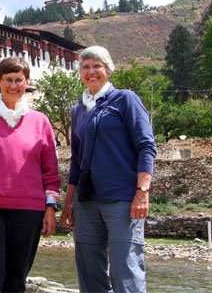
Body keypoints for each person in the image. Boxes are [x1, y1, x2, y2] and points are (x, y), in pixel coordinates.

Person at [60, 46, 156, 293]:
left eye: (97, 66)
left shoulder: (125, 100)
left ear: (108, 70)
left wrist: (142, 192)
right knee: (90, 270)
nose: (91, 71)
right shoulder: (78, 110)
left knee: (126, 269)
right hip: (87, 201)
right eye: (85, 67)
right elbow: (77, 159)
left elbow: (146, 146)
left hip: (122, 200)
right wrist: (68, 201)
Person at [0, 56, 61, 293]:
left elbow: (51, 171)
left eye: (19, 80)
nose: (13, 86)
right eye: (8, 80)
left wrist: (50, 209)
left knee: (16, 278)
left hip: (29, 211)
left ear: (27, 83)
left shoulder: (41, 122)